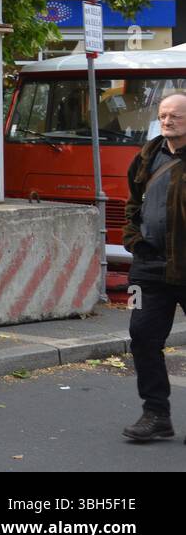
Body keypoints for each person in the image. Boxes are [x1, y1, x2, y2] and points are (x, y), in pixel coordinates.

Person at [121, 91, 186, 442]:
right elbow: (132, 203)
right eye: (163, 115)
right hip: (148, 270)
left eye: (175, 115)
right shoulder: (146, 156)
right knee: (143, 337)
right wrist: (134, 239)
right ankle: (156, 414)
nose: (167, 120)